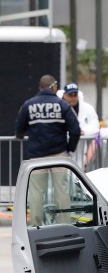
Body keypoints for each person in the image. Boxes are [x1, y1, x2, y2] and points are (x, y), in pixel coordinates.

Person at [14, 75, 81, 226]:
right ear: (54, 86)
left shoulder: (28, 105)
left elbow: (19, 128)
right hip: (59, 155)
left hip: (37, 156)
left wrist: (20, 136)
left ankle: (35, 227)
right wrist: (69, 149)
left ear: (40, 86)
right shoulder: (62, 105)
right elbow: (75, 130)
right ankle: (64, 225)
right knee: (62, 192)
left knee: (36, 193)